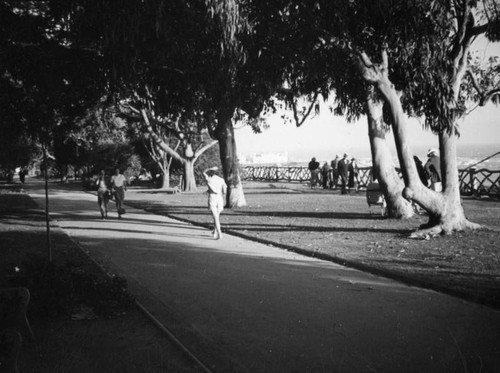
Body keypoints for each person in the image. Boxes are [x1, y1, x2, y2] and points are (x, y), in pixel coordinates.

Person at [203, 167, 227, 240]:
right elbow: (224, 191)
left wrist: (209, 168)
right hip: (219, 198)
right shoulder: (221, 180)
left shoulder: (209, 179)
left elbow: (203, 172)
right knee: (216, 217)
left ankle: (219, 233)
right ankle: (215, 232)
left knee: (215, 217)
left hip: (212, 197)